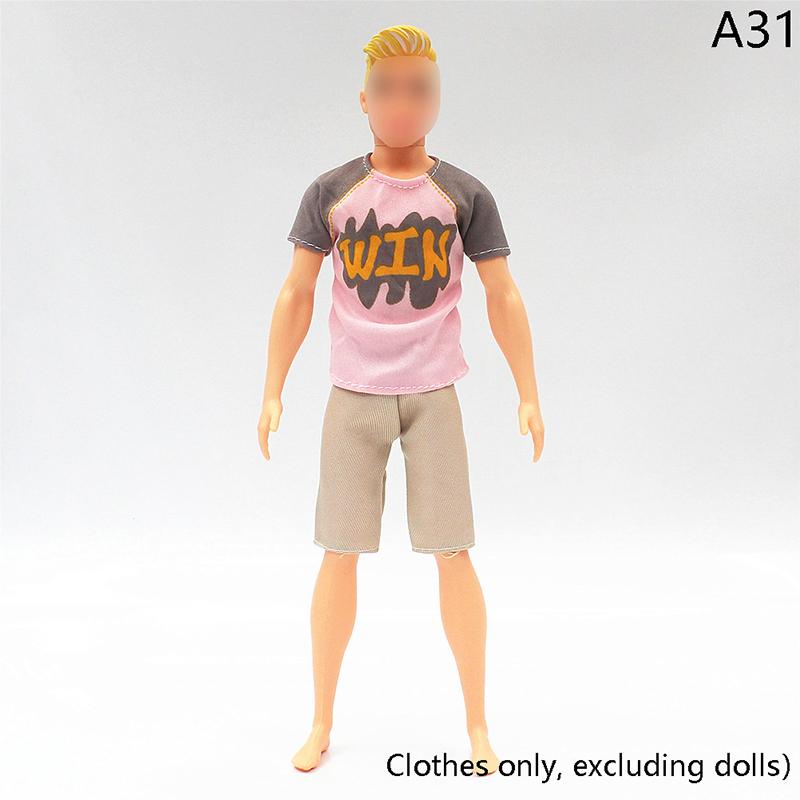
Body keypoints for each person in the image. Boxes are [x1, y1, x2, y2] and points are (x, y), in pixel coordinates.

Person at [257, 23, 545, 774]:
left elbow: (503, 294)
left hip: (432, 395)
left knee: (454, 553)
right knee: (338, 554)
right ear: (363, 100)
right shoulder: (331, 193)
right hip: (353, 395)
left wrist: (528, 391)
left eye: (419, 89)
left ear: (439, 98)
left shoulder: (464, 194)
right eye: (386, 89)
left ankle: (478, 724)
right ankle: (321, 719)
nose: (402, 104)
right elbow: (296, 291)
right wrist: (272, 388)